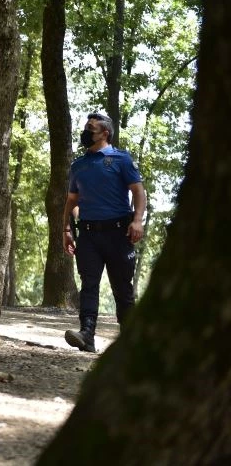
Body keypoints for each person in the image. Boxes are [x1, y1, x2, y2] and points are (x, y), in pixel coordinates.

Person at [62, 113, 146, 352]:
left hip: (119, 234)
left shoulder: (121, 159)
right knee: (89, 284)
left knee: (122, 287)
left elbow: (139, 192)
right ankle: (87, 335)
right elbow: (71, 201)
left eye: (91, 128)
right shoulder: (78, 165)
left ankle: (129, 341)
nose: (86, 132)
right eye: (86, 127)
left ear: (105, 133)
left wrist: (137, 220)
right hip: (88, 236)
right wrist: (67, 228)